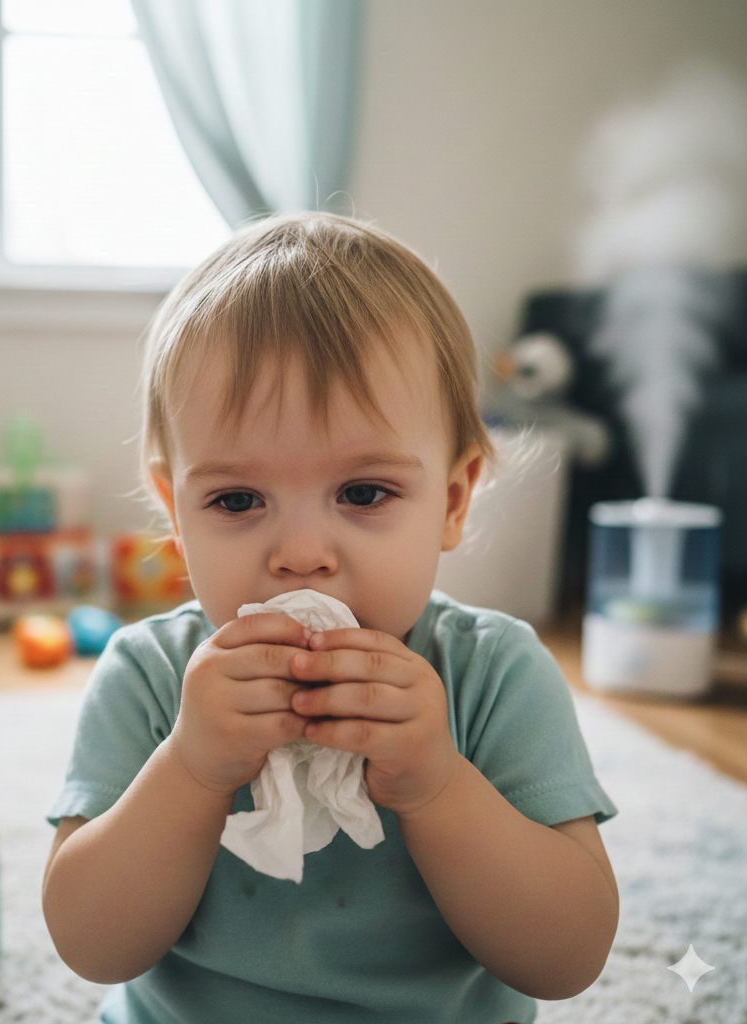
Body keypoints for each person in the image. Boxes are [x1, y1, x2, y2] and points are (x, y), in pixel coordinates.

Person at [42, 213, 619, 1024]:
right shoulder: (150, 677)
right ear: (177, 513)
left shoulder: (496, 674)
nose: (302, 554)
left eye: (363, 493)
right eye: (238, 500)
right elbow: (92, 946)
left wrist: (437, 784)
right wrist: (192, 769)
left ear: (451, 502)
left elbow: (567, 956)